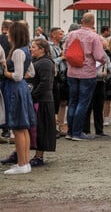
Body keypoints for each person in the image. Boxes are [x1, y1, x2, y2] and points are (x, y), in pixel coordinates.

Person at [63, 12, 107, 141]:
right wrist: (103, 61)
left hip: (71, 72)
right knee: (83, 103)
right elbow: (99, 56)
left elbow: (65, 52)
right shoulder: (94, 37)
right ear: (93, 23)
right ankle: (77, 132)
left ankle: (70, 132)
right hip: (87, 73)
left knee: (72, 102)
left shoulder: (71, 35)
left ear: (82, 21)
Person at [1, 22, 36, 174]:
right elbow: (31, 72)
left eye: (9, 32)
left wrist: (5, 72)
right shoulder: (25, 50)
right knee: (23, 127)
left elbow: (17, 76)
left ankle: (22, 163)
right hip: (21, 89)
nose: (7, 34)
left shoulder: (17, 52)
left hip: (14, 89)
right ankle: (24, 162)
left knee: (18, 127)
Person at [27, 38, 56, 167]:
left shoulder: (45, 63)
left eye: (33, 47)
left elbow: (45, 83)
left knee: (41, 130)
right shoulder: (35, 61)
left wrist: (33, 96)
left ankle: (39, 156)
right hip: (35, 99)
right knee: (32, 129)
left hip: (42, 101)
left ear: (41, 49)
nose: (31, 49)